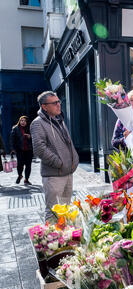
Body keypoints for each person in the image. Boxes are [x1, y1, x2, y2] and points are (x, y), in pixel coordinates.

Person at [30, 91, 79, 222]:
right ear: (44, 106)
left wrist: (75, 159)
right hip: (53, 175)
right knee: (53, 212)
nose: (58, 105)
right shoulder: (38, 123)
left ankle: (64, 240)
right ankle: (50, 240)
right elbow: (39, 149)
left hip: (68, 173)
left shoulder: (59, 120)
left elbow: (68, 143)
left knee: (66, 210)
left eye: (59, 102)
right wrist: (59, 163)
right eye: (54, 103)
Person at [10, 116, 33, 185]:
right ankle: (20, 175)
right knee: (20, 164)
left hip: (29, 150)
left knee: (28, 165)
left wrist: (30, 137)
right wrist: (12, 149)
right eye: (21, 121)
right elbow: (11, 140)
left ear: (27, 122)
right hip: (20, 150)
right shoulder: (15, 129)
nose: (23, 122)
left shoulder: (30, 129)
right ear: (19, 121)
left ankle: (26, 179)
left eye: (24, 121)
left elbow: (36, 138)